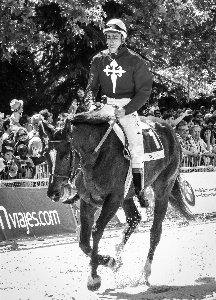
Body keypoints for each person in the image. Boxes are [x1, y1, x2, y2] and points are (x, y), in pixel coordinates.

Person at [84, 18, 153, 207]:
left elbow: (144, 90)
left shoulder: (135, 60)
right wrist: (90, 104)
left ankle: (139, 190)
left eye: (115, 37)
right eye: (108, 37)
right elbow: (91, 87)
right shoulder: (98, 59)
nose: (111, 40)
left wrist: (127, 110)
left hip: (127, 108)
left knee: (136, 147)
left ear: (122, 38)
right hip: (104, 105)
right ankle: (78, 184)